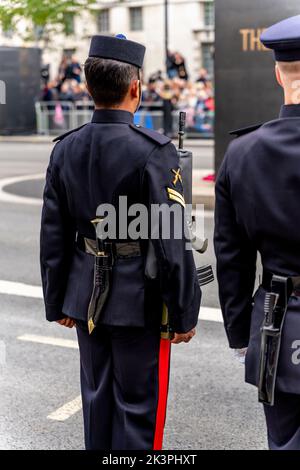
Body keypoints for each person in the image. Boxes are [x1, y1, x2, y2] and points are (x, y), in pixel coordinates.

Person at [40, 34, 201, 450]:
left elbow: (54, 235)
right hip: (139, 301)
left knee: (97, 404)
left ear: (89, 88)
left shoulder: (65, 148)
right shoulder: (153, 151)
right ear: (136, 87)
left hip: (83, 298)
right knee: (137, 410)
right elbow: (170, 243)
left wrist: (57, 300)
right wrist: (182, 311)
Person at [214, 15, 300, 451]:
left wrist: (238, 334)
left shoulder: (243, 153)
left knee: (282, 438)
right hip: (278, 316)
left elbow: (231, 256)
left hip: (276, 322)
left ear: (277, 73)